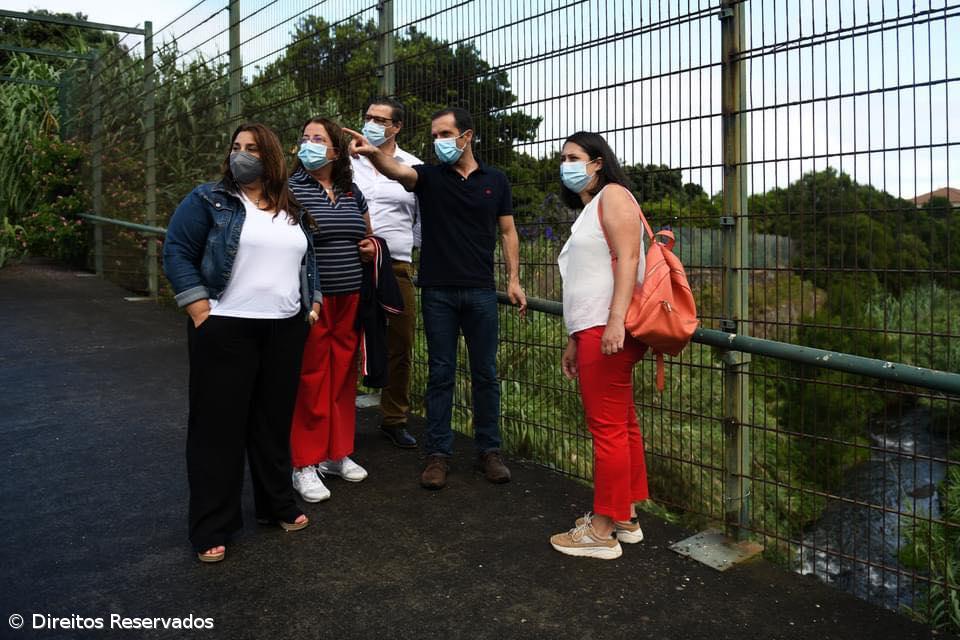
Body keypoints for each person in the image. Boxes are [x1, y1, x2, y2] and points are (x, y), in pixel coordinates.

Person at [346, 106, 527, 490]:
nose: (439, 142)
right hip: (438, 291)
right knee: (441, 374)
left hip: (481, 291)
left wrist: (514, 279)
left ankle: (489, 452)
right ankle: (438, 455)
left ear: (467, 136)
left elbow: (509, 232)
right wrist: (371, 151)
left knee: (485, 374)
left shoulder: (496, 181)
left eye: (445, 134)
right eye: (435, 136)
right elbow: (397, 171)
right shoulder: (427, 176)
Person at [163, 123, 318, 563]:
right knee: (218, 430)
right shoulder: (207, 200)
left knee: (271, 425)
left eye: (251, 148)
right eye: (236, 147)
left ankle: (276, 506)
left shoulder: (292, 207)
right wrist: (197, 307)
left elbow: (309, 260)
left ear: (271, 157)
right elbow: (177, 249)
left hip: (285, 329)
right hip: (225, 327)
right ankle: (212, 525)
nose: (241, 155)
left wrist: (315, 302)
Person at [550, 131, 649, 560]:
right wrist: (575, 338)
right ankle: (624, 515)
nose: (565, 164)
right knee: (621, 423)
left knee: (606, 428)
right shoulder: (594, 206)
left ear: (597, 162)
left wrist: (613, 322)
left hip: (607, 328)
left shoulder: (613, 195)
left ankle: (602, 531)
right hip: (592, 328)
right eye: (562, 157)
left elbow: (628, 258)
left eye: (573, 157)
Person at [288, 116, 376, 503]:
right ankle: (303, 462)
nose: (309, 143)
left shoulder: (352, 192)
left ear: (335, 151)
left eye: (318, 138)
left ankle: (336, 453)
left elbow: (367, 235)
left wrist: (371, 247)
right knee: (310, 377)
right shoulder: (289, 189)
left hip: (352, 295)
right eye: (305, 137)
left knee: (343, 374)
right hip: (312, 300)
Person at [351, 97, 422, 449]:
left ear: (397, 127)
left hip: (395, 262)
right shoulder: (346, 163)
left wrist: (408, 250)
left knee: (401, 339)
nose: (372, 124)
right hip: (349, 261)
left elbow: (422, 219)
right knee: (346, 337)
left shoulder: (413, 166)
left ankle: (394, 418)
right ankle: (337, 415)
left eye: (381, 120)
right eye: (368, 117)